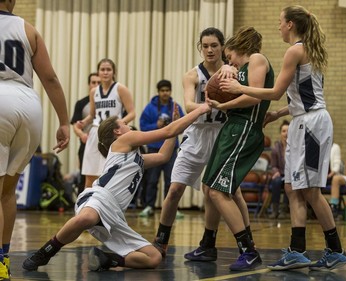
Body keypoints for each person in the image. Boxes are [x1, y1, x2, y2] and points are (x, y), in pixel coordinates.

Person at [220, 5, 346, 271]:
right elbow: (300, 97)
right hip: (304, 120)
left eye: (280, 22)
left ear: (290, 24)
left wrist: (237, 87)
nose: (278, 26)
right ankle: (298, 250)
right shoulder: (304, 50)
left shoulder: (296, 50)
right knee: (292, 188)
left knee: (310, 191)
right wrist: (278, 114)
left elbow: (276, 91)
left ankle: (335, 249)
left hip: (311, 124)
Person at [22, 102, 212, 272]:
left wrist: (175, 127)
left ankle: (109, 260)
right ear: (117, 132)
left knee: (154, 257)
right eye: (124, 124)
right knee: (87, 217)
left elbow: (163, 156)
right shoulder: (123, 141)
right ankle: (46, 251)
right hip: (98, 197)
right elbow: (167, 132)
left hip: (115, 215)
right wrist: (200, 110)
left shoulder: (137, 159)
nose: (129, 125)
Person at [153, 28, 250, 263]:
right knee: (175, 189)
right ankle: (161, 241)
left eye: (214, 45)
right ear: (200, 47)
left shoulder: (232, 72)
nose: (209, 50)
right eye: (205, 45)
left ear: (222, 47)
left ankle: (228, 243)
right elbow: (188, 105)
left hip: (222, 134)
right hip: (196, 134)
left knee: (228, 191)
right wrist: (208, 105)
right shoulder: (192, 75)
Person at [194, 26, 274, 272]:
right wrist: (220, 102)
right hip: (232, 126)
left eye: (229, 56)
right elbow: (239, 97)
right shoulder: (240, 69)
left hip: (245, 129)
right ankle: (208, 244)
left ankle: (248, 251)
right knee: (209, 188)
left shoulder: (257, 59)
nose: (229, 60)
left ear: (238, 47)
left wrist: (225, 100)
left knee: (219, 192)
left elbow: (254, 98)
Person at [0, 1, 70, 279]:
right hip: (29, 104)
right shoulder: (29, 29)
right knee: (7, 191)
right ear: (13, 1)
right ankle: (3, 261)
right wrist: (64, 121)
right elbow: (50, 78)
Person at [78, 58, 136, 188]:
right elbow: (92, 115)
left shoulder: (120, 89)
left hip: (113, 135)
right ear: (98, 72)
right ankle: (84, 205)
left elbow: (132, 113)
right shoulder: (94, 92)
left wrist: (120, 124)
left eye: (108, 69)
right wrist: (83, 122)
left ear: (113, 72)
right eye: (102, 69)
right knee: (90, 174)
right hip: (95, 132)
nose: (105, 72)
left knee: (109, 173)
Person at [138, 80, 184, 217]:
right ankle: (148, 207)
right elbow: (142, 128)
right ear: (158, 92)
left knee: (171, 180)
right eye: (162, 90)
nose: (165, 93)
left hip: (171, 149)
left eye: (167, 90)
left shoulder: (175, 107)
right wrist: (156, 126)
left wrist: (175, 123)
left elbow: (183, 125)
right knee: (152, 180)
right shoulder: (149, 108)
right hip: (154, 149)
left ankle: (171, 208)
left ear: (170, 91)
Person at [70, 73, 101, 194]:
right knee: (85, 177)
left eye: (98, 83)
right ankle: (81, 206)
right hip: (87, 143)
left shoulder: (111, 100)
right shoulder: (81, 103)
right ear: (89, 84)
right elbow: (76, 125)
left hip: (105, 144)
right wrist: (82, 135)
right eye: (93, 82)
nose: (96, 85)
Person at [269, 120, 290, 219]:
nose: (286, 134)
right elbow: (273, 165)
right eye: (284, 131)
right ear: (280, 133)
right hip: (280, 174)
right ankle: (274, 209)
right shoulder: (276, 148)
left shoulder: (294, 147)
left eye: (288, 131)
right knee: (276, 181)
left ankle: (284, 209)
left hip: (290, 175)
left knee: (288, 181)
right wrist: (276, 172)